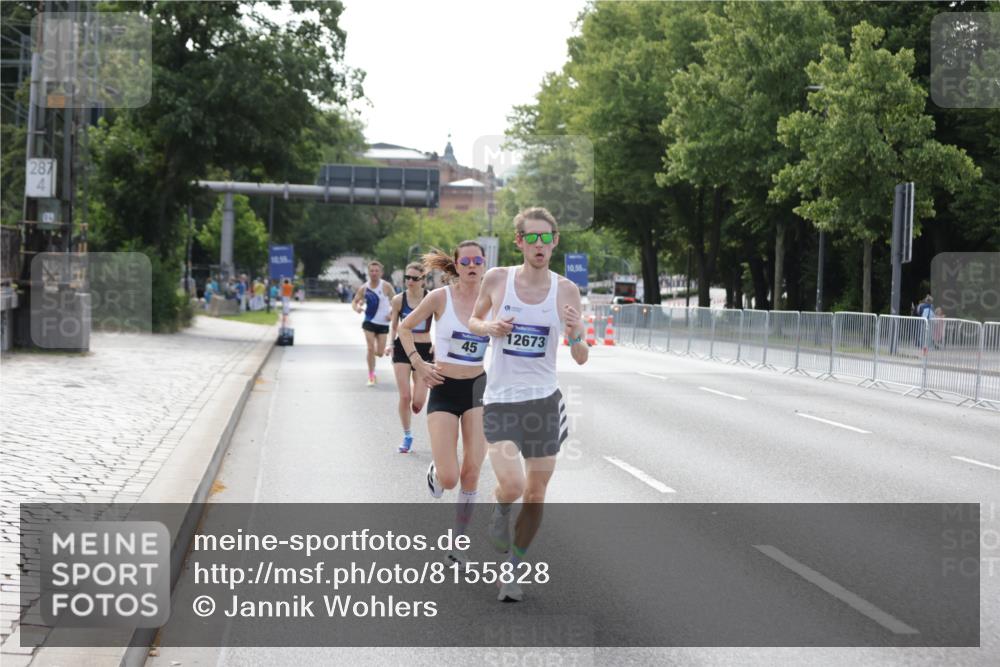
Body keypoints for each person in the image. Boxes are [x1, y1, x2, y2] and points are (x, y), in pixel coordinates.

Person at [468, 207, 589, 602]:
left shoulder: (567, 290)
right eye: (531, 238)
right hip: (501, 400)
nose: (539, 245)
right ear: (519, 242)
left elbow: (582, 354)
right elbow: (474, 321)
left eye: (546, 238)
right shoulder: (497, 279)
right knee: (513, 485)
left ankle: (513, 570)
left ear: (555, 241)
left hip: (544, 403)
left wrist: (574, 334)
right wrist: (490, 328)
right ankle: (500, 507)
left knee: (535, 494)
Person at [398, 241, 490, 567]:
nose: (472, 265)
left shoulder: (493, 299)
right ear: (456, 264)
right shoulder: (440, 298)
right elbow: (404, 328)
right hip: (444, 387)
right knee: (450, 478)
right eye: (465, 260)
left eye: (478, 260)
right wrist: (419, 364)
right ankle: (437, 471)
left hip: (478, 388)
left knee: (472, 472)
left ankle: (459, 544)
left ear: (484, 263)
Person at [386, 263, 434, 453]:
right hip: (402, 348)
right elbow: (394, 325)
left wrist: (438, 343)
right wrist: (391, 344)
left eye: (415, 278)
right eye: (407, 277)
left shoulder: (431, 298)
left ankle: (416, 390)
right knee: (405, 396)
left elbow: (441, 322)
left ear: (423, 280)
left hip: (424, 348)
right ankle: (407, 435)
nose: (410, 281)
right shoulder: (398, 300)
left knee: (418, 403)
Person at [352, 261, 395, 386]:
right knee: (370, 348)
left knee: (380, 353)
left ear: (381, 273)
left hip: (383, 323)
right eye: (372, 271)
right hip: (369, 321)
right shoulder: (364, 288)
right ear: (368, 272)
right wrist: (357, 308)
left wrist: (391, 314)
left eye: (377, 271)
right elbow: (354, 302)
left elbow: (396, 302)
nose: (374, 273)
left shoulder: (386, 286)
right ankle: (371, 376)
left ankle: (377, 353)